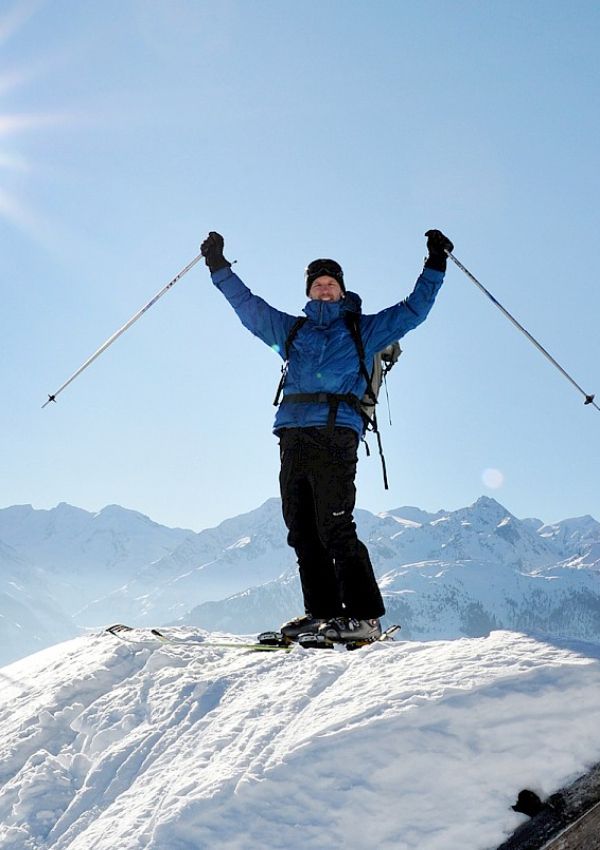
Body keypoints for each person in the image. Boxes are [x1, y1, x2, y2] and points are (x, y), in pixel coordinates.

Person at [200, 229, 453, 643]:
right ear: (309, 291)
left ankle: (366, 618)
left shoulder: (362, 331)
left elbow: (412, 312)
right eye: (317, 285)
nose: (324, 290)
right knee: (301, 529)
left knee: (335, 525)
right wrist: (218, 267)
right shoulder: (292, 331)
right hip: (293, 435)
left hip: (337, 433)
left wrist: (435, 264)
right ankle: (322, 613)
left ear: (341, 291)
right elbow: (249, 308)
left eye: (331, 285)